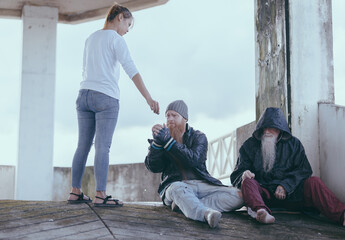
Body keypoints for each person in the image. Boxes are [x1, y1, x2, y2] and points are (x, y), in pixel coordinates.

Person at [67, 4, 159, 207]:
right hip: (106, 97)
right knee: (102, 146)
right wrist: (148, 98)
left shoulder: (90, 38)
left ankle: (75, 192)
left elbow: (85, 69)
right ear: (119, 17)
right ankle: (100, 195)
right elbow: (131, 69)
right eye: (128, 24)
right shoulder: (116, 39)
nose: (127, 30)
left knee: (82, 145)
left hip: (83, 95)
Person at [230, 107, 345, 226]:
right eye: (265, 128)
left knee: (314, 182)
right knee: (247, 182)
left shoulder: (294, 144)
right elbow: (236, 174)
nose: (267, 131)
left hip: (291, 195)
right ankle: (261, 212)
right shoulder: (249, 145)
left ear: (280, 129)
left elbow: (304, 170)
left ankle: (344, 215)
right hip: (264, 197)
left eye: (272, 127)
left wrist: (286, 185)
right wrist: (244, 174)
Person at [145, 100, 244, 228]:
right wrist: (157, 144)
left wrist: (169, 142)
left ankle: (184, 205)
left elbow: (193, 160)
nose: (170, 119)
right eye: (167, 115)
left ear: (185, 118)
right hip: (175, 185)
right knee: (177, 189)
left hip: (201, 183)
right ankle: (205, 213)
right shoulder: (163, 138)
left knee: (239, 196)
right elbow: (153, 167)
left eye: (174, 115)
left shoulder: (199, 137)